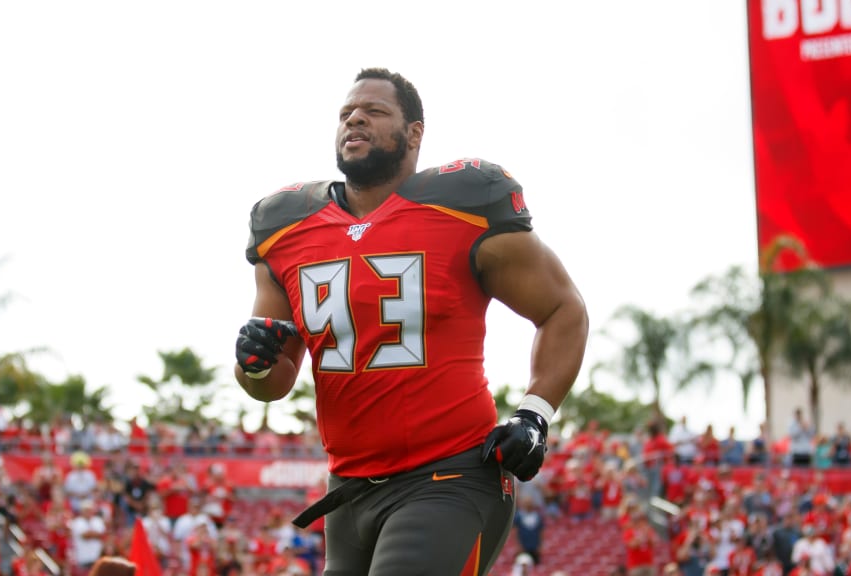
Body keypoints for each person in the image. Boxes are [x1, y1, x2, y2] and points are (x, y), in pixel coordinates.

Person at [233, 67, 589, 576]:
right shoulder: (285, 228)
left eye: (374, 111)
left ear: (415, 133)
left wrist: (535, 412)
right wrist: (253, 363)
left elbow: (562, 309)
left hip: (450, 475)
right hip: (349, 492)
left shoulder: (464, 204)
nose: (355, 118)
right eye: (346, 113)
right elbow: (270, 384)